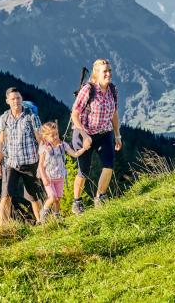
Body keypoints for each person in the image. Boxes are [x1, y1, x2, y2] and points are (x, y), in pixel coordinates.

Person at [70, 59, 123, 214]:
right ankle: (77, 202)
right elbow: (75, 114)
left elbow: (114, 113)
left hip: (105, 134)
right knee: (84, 170)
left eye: (109, 71)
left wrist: (118, 135)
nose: (108, 74)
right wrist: (85, 135)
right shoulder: (88, 90)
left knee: (109, 165)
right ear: (96, 73)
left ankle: (100, 197)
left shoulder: (113, 89)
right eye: (104, 71)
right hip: (83, 134)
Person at [0, 87, 44, 224]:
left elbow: (40, 140)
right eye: (13, 99)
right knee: (6, 196)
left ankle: (42, 223)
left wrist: (42, 163)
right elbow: (1, 140)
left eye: (18, 98)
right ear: (7, 101)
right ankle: (2, 227)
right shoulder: (4, 118)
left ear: (22, 99)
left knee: (33, 196)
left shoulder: (32, 116)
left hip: (30, 163)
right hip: (11, 164)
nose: (16, 101)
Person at [38, 121, 89, 222]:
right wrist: (44, 178)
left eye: (56, 134)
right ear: (45, 137)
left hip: (60, 177)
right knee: (52, 197)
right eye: (52, 135)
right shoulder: (44, 149)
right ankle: (43, 215)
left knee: (58, 199)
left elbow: (75, 154)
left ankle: (57, 216)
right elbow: (40, 165)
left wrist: (84, 148)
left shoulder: (63, 145)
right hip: (48, 177)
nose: (56, 137)